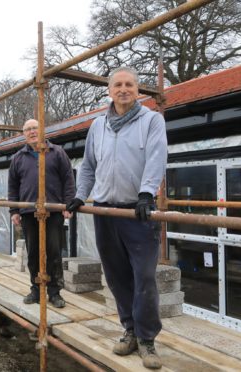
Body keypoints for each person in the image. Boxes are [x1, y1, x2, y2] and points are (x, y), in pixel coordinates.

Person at [66, 67, 167, 369]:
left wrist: (147, 193)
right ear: (109, 91)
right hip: (105, 211)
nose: (124, 89)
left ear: (138, 90)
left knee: (145, 278)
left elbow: (157, 156)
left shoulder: (152, 120)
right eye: (118, 85)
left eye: (130, 85)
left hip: (137, 212)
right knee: (116, 276)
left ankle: (148, 339)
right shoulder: (98, 125)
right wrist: (81, 195)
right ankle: (130, 331)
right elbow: (88, 166)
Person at [8, 118, 76, 308]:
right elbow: (13, 186)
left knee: (54, 252)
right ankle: (36, 290)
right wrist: (14, 209)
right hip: (29, 212)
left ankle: (54, 292)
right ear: (24, 134)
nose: (32, 132)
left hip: (53, 210)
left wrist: (68, 205)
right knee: (33, 254)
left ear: (42, 131)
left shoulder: (57, 152)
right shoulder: (18, 158)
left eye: (35, 128)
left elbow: (68, 180)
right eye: (28, 129)